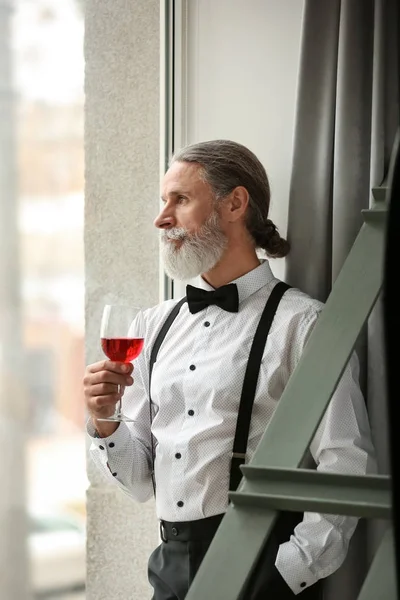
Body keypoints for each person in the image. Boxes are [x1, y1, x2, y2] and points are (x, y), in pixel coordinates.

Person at [84, 140, 377, 599]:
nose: (162, 218)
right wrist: (104, 422)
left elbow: (348, 463)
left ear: (235, 203)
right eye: (163, 202)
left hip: (260, 563)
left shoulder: (302, 323)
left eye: (179, 199)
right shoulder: (152, 326)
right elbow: (140, 481)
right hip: (168, 566)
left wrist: (284, 574)